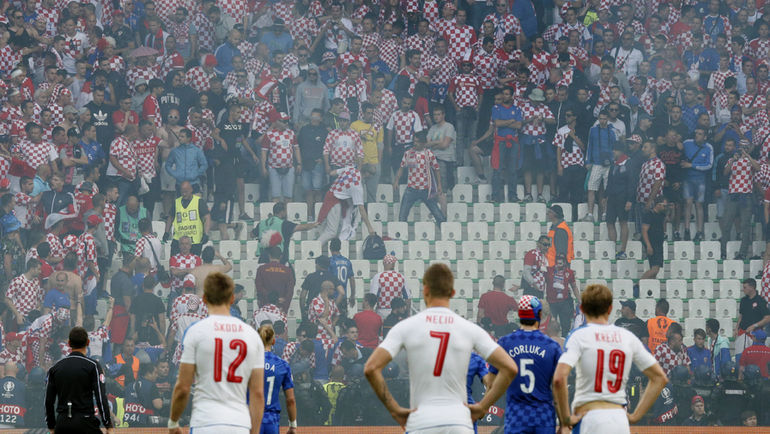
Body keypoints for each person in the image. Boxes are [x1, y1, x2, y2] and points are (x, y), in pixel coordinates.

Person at [364, 263, 518, 432]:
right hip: (458, 421)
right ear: (452, 292)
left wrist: (396, 411)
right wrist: (482, 407)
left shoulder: (406, 327)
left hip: (423, 420)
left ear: (425, 291)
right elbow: (509, 368)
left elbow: (371, 368)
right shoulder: (468, 328)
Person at [553, 284, 668, 433]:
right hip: (617, 416)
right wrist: (636, 416)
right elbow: (659, 378)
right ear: (610, 309)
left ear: (583, 309)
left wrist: (565, 419)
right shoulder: (626, 337)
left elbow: (558, 379)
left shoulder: (578, 336)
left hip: (589, 415)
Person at [168, 272, 265, 434]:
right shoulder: (251, 335)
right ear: (232, 299)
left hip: (205, 422)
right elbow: (258, 393)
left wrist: (173, 422)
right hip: (238, 423)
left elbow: (183, 386)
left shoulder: (195, 332)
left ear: (204, 299)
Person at [491, 295, 562, 434]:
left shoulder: (505, 342)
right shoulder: (551, 345)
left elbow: (491, 381)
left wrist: (483, 407)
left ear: (519, 315)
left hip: (516, 417)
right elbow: (558, 384)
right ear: (539, 315)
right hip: (544, 418)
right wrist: (564, 421)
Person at [44, 326, 114, 433]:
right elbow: (100, 397)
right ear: (88, 342)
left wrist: (51, 426)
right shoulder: (93, 366)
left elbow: (48, 401)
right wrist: (108, 424)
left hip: (63, 422)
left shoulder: (55, 368)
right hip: (86, 422)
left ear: (69, 343)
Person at [393, 130, 446, 224]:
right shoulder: (408, 153)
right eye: (414, 141)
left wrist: (439, 185)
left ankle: (444, 230)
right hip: (411, 189)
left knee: (438, 215)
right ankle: (402, 232)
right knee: (402, 216)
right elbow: (401, 167)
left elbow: (436, 169)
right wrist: (396, 180)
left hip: (426, 189)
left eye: (417, 141)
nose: (415, 143)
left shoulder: (429, 154)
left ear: (423, 143)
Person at [258, 324, 297, 434]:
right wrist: (293, 425)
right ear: (273, 341)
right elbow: (290, 400)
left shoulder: (248, 362)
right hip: (272, 420)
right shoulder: (282, 365)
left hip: (252, 418)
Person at [163, 181, 211, 256]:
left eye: (186, 192)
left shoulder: (199, 201)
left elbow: (207, 217)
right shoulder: (176, 202)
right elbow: (170, 217)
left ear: (191, 190)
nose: (184, 194)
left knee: (194, 263)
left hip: (194, 241)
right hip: (178, 240)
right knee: (174, 261)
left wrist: (206, 233)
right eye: (182, 192)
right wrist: (166, 232)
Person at [545, 254, 580, 337]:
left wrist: (579, 299)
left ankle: (564, 341)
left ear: (564, 262)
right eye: (557, 261)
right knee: (551, 325)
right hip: (551, 302)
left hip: (564, 302)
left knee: (566, 325)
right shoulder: (549, 270)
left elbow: (574, 286)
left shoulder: (569, 272)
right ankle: (552, 341)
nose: (558, 264)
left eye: (561, 262)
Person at [736, 278, 770, 358]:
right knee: (740, 357)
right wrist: (736, 328)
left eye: (745, 287)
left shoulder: (761, 301)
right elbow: (741, 315)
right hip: (742, 333)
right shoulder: (743, 300)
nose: (743, 289)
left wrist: (754, 326)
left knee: (752, 358)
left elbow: (767, 318)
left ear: (752, 287)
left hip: (755, 335)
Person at [369, 254, 410, 318]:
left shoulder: (378, 277)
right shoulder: (401, 277)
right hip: (397, 311)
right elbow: (407, 298)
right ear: (393, 264)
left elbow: (372, 297)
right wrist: (407, 313)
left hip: (381, 311)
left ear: (383, 263)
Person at [640, 197, 667, 282]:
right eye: (664, 206)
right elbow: (644, 230)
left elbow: (669, 219)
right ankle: (638, 285)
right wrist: (648, 245)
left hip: (659, 244)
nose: (665, 208)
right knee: (655, 269)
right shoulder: (649, 215)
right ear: (658, 205)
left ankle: (648, 286)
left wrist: (672, 210)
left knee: (654, 271)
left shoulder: (661, 215)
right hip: (652, 243)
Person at [328, 237, 355, 313]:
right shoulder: (347, 261)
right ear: (340, 248)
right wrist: (352, 295)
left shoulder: (330, 261)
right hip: (343, 297)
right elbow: (352, 279)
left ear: (330, 248)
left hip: (332, 297)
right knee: (343, 318)